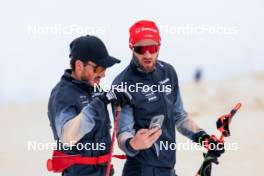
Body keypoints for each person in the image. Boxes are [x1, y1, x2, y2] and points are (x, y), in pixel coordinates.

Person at [112, 20, 225, 176]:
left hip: (168, 168)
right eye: (140, 48)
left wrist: (204, 139)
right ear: (132, 48)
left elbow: (179, 117)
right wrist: (133, 143)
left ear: (159, 47)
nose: (147, 54)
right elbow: (122, 133)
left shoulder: (168, 72)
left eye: (152, 48)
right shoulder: (122, 84)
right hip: (141, 170)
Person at [47, 35, 131, 176]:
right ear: (79, 65)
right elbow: (68, 137)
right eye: (99, 68)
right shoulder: (62, 95)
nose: (103, 74)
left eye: (105, 68)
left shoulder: (93, 88)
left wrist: (115, 98)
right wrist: (101, 103)